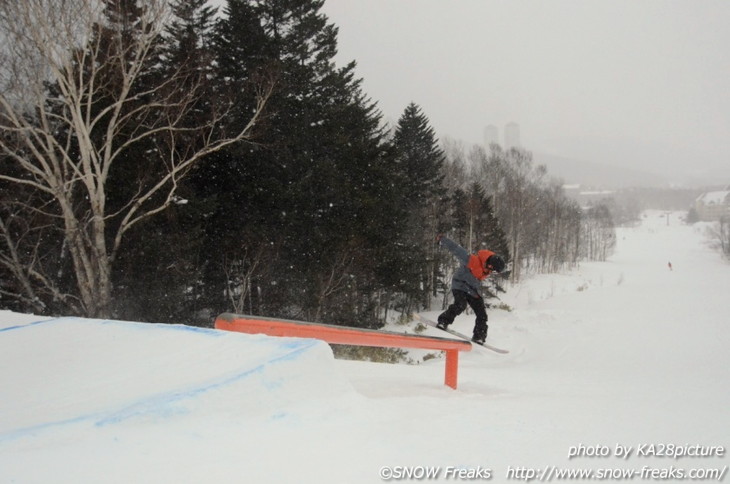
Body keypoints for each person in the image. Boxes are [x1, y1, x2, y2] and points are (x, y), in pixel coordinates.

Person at [435, 234, 506, 344]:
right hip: (459, 285)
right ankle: (443, 321)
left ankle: (479, 336)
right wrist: (443, 240)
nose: (492, 272)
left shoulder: (487, 268)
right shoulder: (472, 260)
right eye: (494, 270)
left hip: (472, 290)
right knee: (461, 305)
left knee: (482, 313)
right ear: (491, 265)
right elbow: (456, 249)